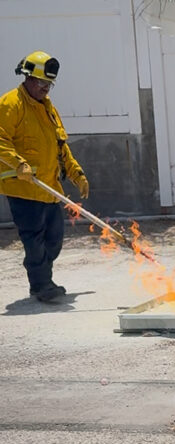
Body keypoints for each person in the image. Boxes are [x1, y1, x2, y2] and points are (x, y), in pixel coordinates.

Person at [0, 51, 89, 301]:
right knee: (34, 238)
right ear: (27, 78)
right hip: (23, 188)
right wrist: (18, 164)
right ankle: (41, 285)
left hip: (49, 188)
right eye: (41, 83)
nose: (46, 88)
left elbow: (61, 147)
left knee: (54, 238)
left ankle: (43, 279)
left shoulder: (49, 109)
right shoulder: (10, 104)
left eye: (49, 84)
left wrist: (76, 174)